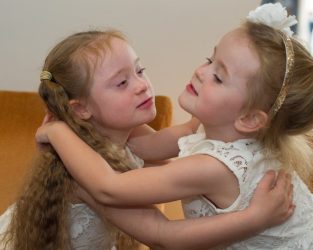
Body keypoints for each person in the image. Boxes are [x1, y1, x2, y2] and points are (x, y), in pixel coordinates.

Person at [0, 28, 294, 250]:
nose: (142, 86)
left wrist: (217, 99)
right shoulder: (81, 170)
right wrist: (55, 130)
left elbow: (181, 137)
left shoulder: (128, 135)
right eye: (122, 82)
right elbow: (162, 236)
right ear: (81, 109)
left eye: (140, 70)